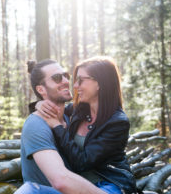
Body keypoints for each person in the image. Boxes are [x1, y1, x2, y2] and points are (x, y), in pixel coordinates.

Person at [36, 56, 137, 194]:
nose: (75, 86)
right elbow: (54, 107)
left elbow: (82, 162)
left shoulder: (118, 122)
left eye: (81, 80)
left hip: (110, 185)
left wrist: (57, 127)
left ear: (100, 83)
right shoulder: (79, 109)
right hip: (79, 187)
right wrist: (39, 103)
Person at [15, 60, 106, 194]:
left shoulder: (70, 118)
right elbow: (60, 180)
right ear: (41, 89)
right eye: (57, 78)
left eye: (66, 75)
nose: (65, 81)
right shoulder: (36, 125)